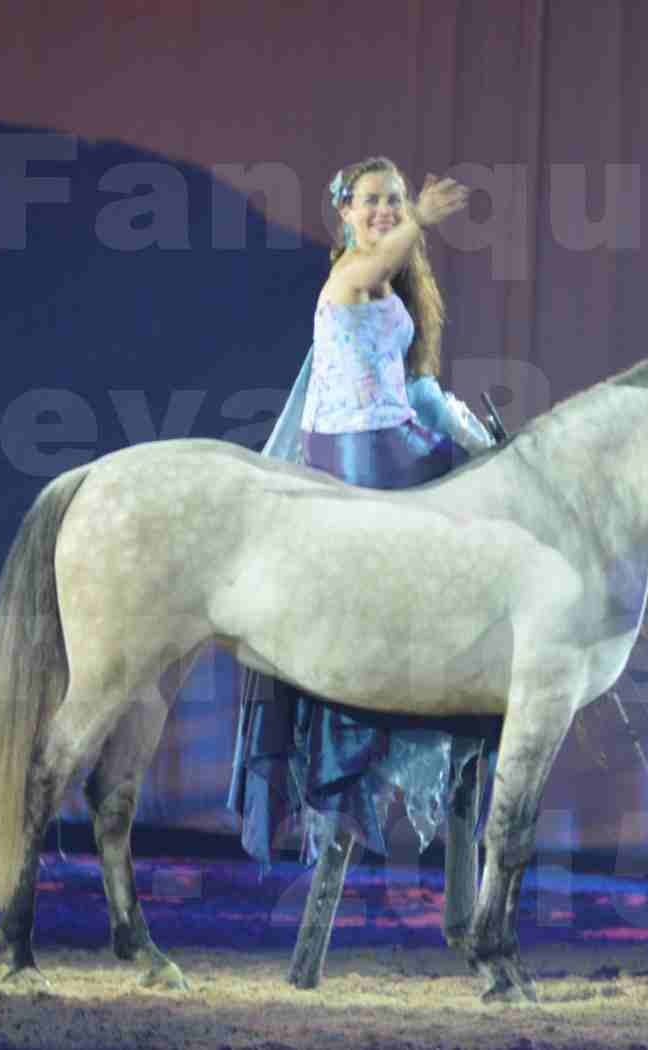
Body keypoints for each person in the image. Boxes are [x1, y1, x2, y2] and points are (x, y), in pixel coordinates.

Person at [228, 156, 501, 871]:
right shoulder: (351, 272)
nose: (385, 211)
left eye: (395, 200)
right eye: (372, 201)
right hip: (357, 446)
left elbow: (414, 388)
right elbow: (385, 256)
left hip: (390, 436)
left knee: (489, 487)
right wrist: (420, 218)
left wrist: (474, 438)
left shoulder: (386, 284)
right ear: (344, 213)